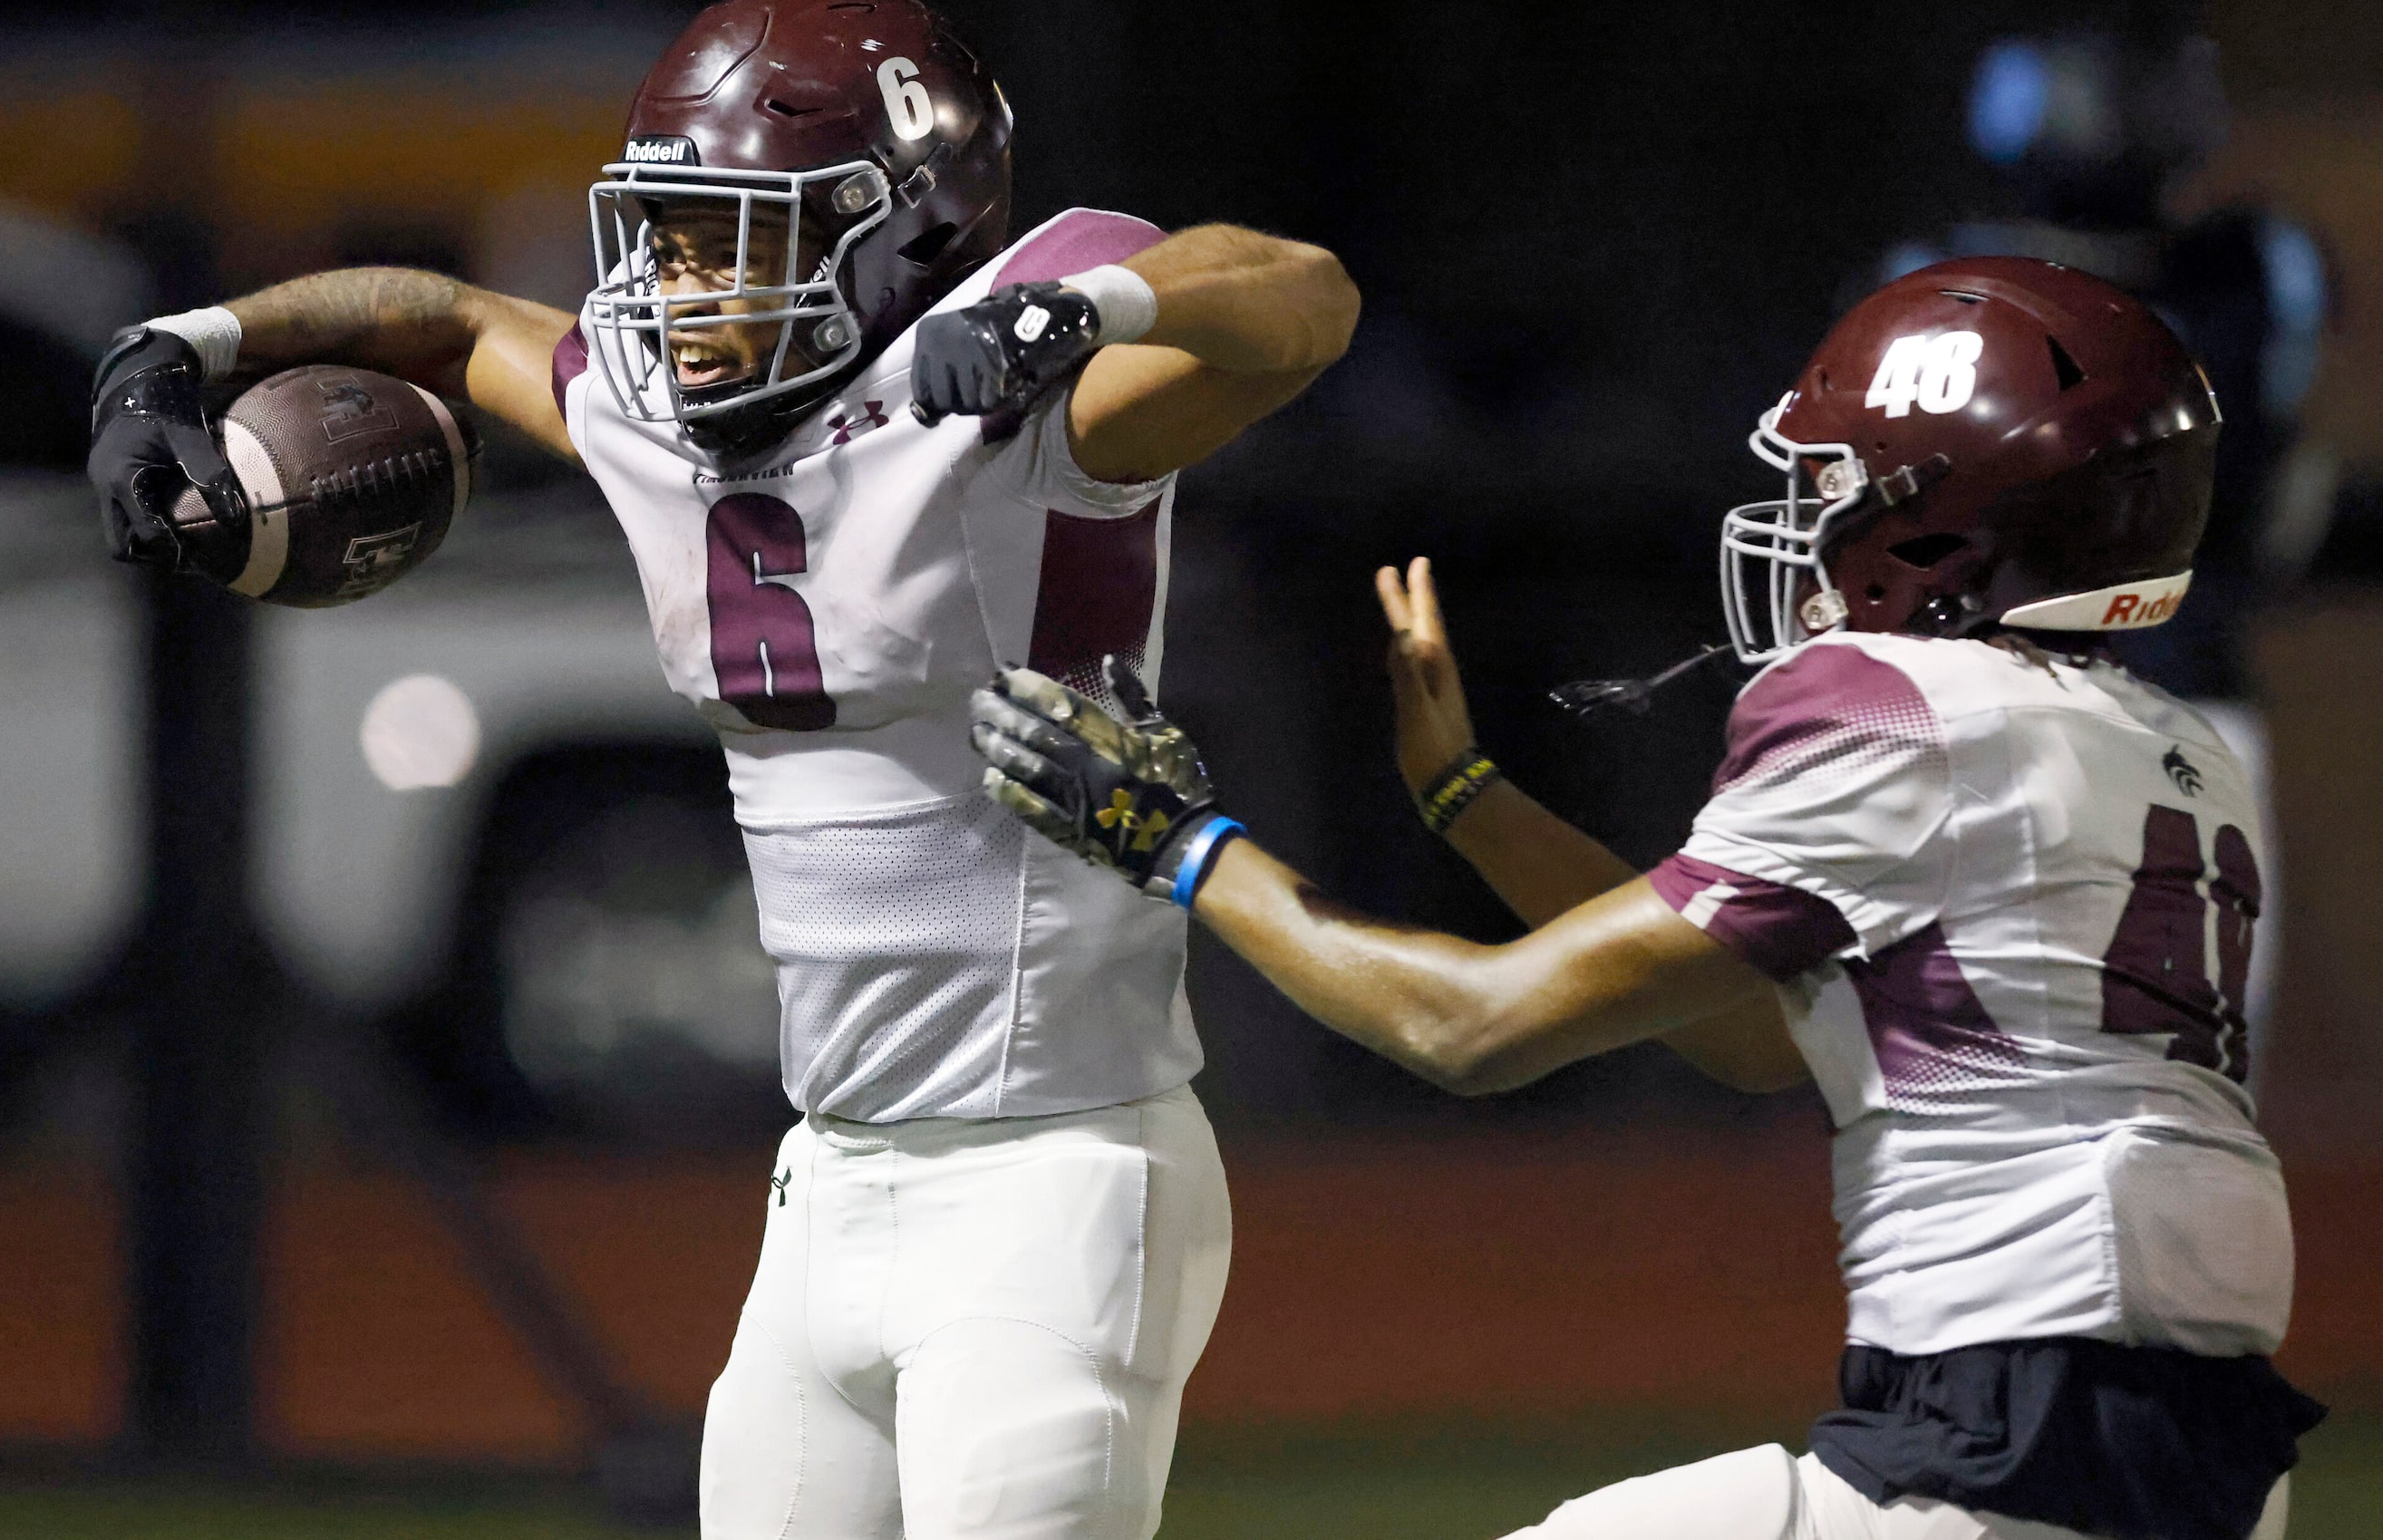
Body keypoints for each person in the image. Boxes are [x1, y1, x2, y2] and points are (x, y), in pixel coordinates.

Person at [84, 0, 1359, 1540]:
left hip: (1053, 1173)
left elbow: (1302, 297)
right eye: (667, 232)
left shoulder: (1031, 401)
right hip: (823, 1182)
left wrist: (1089, 310)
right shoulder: (652, 409)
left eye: (723, 237)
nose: (675, 286)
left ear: (901, 227)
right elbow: (444, 315)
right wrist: (179, 343)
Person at [972, 257, 2321, 1540]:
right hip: (2173, 1439)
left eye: (1842, 484)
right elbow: (1745, 1033)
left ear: (1953, 518)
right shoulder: (2168, 746)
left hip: (1993, 1439)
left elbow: (1469, 1027)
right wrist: (1469, 799)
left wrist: (1172, 837)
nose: (1812, 520)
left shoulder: (1908, 710)